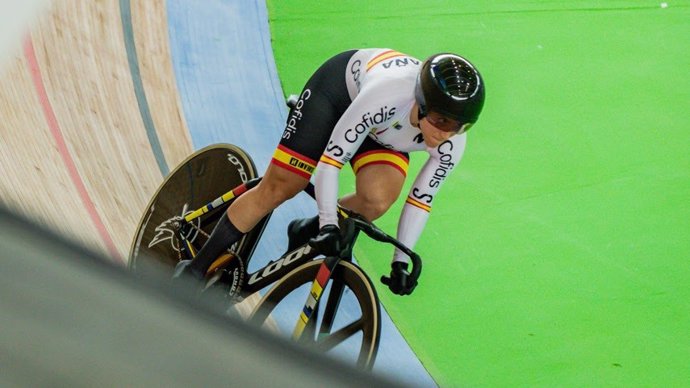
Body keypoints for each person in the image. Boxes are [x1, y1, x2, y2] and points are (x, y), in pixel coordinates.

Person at [176, 49, 485, 295]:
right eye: (442, 122)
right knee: (284, 185)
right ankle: (194, 269)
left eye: (459, 125)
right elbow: (331, 162)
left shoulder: (452, 143)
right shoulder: (389, 94)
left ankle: (304, 230)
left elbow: (421, 200)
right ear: (421, 102)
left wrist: (400, 263)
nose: (448, 133)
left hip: (383, 131)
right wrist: (329, 224)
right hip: (338, 97)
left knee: (376, 201)